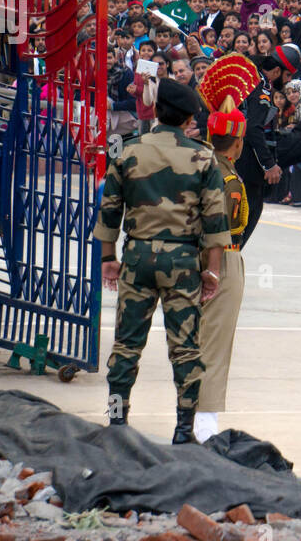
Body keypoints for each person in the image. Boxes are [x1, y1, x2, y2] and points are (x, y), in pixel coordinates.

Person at [95, 78, 230, 444]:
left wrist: (109, 257)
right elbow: (216, 220)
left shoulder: (128, 151)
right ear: (189, 118)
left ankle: (117, 423)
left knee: (126, 344)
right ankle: (184, 430)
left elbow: (110, 209)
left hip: (137, 255)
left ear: (156, 111)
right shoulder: (203, 157)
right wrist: (212, 271)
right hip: (183, 259)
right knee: (185, 347)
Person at [192, 55, 261, 442]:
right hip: (223, 258)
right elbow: (225, 225)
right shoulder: (228, 176)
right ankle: (204, 426)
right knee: (215, 343)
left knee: (192, 339)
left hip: (191, 255)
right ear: (237, 140)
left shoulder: (199, 164)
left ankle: (191, 416)